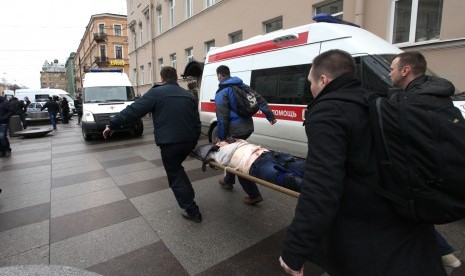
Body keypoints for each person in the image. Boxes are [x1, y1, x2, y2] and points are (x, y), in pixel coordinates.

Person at [279, 49, 446, 276]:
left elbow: (321, 186)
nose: (309, 88)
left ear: (323, 80)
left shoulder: (328, 112)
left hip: (370, 239)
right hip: (408, 227)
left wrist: (295, 249)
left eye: (310, 82)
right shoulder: (375, 100)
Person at [389, 50, 462, 269]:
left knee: (402, 214)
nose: (389, 72)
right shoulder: (438, 94)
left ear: (405, 70)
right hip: (442, 170)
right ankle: (443, 252)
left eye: (392, 68)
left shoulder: (411, 101)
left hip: (424, 173)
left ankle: (437, 255)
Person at [102, 66, 202, 223]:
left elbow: (133, 110)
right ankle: (189, 198)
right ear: (176, 78)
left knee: (175, 174)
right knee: (178, 170)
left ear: (162, 79)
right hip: (188, 141)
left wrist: (112, 124)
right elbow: (197, 122)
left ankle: (192, 210)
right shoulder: (188, 95)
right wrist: (194, 139)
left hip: (170, 143)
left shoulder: (156, 93)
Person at [215, 65, 277, 205]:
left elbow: (222, 117)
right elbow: (259, 99)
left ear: (219, 75)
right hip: (247, 127)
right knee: (233, 155)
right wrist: (270, 116)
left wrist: (222, 137)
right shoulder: (243, 86)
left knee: (238, 159)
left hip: (235, 130)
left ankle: (254, 194)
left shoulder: (222, 91)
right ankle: (228, 181)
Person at [194, 139, 304, 192]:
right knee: (290, 179)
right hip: (255, 163)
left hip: (268, 154)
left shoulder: (239, 142)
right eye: (218, 143)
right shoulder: (218, 153)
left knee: (302, 167)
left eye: (221, 141)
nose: (220, 143)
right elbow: (205, 153)